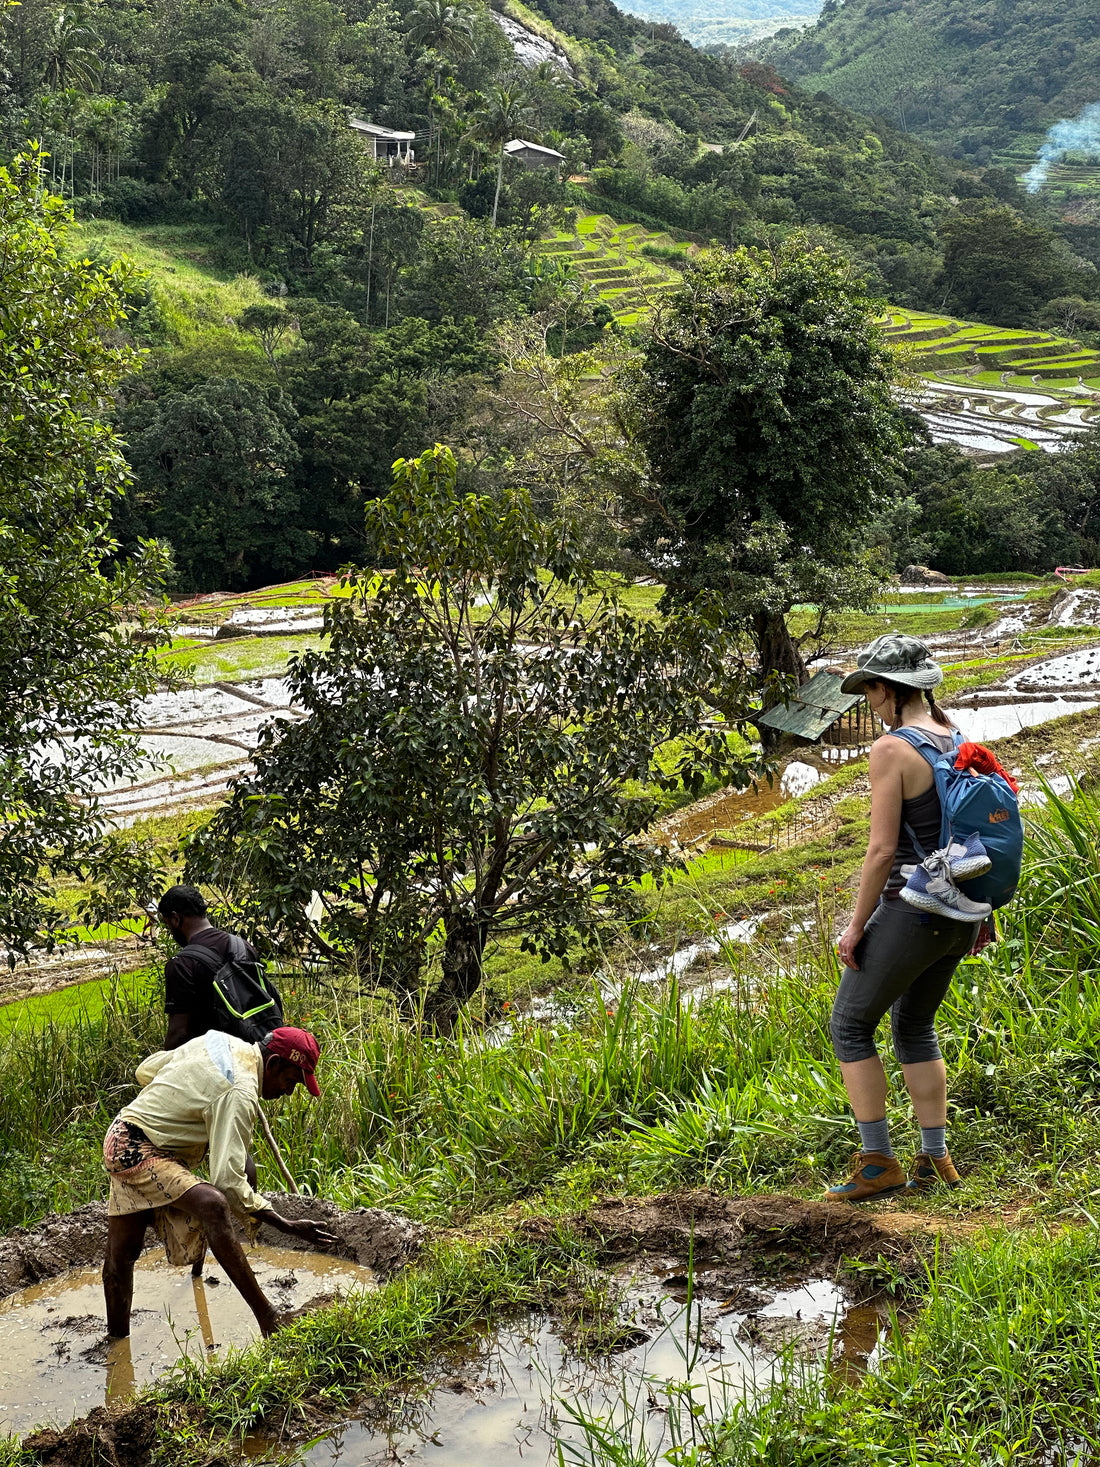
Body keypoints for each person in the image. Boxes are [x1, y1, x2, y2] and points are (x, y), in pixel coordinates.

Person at [826, 634, 992, 1203]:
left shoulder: (893, 750)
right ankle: (935, 1158)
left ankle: (878, 1162)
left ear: (893, 688)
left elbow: (879, 851)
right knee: (914, 1025)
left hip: (913, 909)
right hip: (962, 913)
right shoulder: (959, 739)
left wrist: (854, 927)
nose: (868, 701)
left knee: (850, 1025)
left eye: (871, 688)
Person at [102, 1026, 338, 1339]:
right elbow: (226, 1183)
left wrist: (183, 1108)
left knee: (124, 1253)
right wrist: (285, 1224)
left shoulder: (222, 1040)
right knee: (212, 1205)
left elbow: (146, 1070)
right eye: (291, 1081)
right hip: (136, 1149)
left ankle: (117, 1344)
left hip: (124, 1130)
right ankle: (270, 1319)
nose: (288, 1092)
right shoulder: (240, 1091)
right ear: (274, 1065)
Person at [158, 884, 262, 1049]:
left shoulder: (182, 964)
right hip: (252, 1054)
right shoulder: (243, 946)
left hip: (212, 1062)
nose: (171, 932)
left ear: (176, 918)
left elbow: (179, 1033)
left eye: (168, 925)